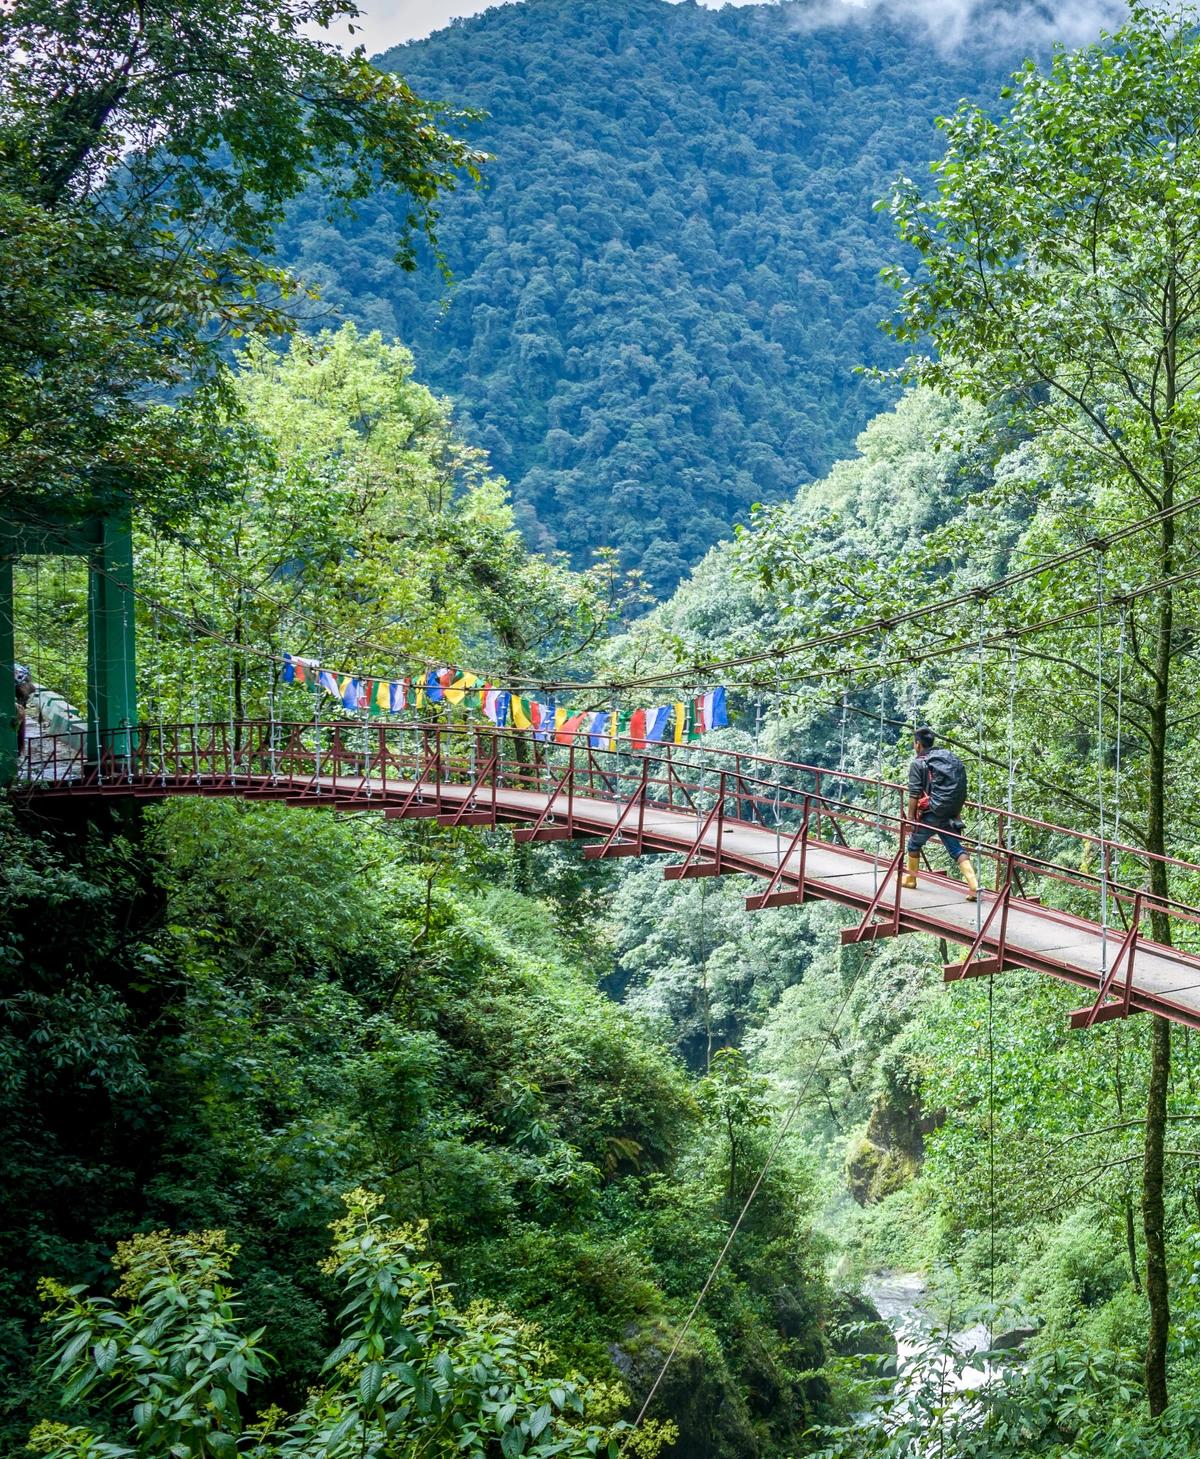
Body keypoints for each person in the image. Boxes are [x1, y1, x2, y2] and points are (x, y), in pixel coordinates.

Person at [900, 725, 979, 901]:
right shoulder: (945, 758)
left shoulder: (919, 763)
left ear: (918, 744)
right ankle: (974, 886)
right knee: (956, 849)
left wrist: (911, 819)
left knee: (914, 844)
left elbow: (914, 792)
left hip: (931, 813)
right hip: (950, 812)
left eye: (915, 744)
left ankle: (911, 879)